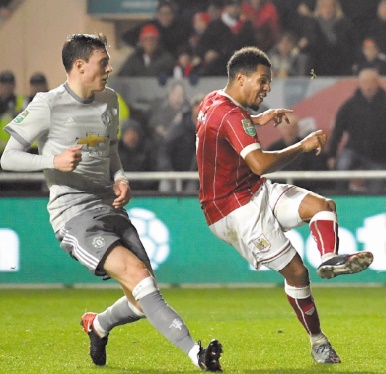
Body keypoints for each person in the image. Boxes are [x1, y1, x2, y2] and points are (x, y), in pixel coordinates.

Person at [0, 33, 223, 372]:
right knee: (139, 277)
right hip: (73, 214)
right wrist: (52, 161)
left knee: (140, 296)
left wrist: (121, 178)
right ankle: (199, 356)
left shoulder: (110, 100)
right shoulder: (48, 104)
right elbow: (8, 158)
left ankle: (98, 324)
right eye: (103, 62)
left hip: (110, 207)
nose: (109, 67)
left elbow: (111, 151)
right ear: (80, 65)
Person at [196, 46, 374, 364]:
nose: (267, 88)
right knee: (296, 273)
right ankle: (318, 341)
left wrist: (257, 119)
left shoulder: (214, 100)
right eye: (262, 81)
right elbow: (260, 163)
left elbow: (225, 127)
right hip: (232, 210)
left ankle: (330, 259)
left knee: (323, 206)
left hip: (253, 191)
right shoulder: (231, 115)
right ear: (240, 78)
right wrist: (301, 146)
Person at [327, 68, 386, 192]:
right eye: (364, 82)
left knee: (376, 186)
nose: (367, 86)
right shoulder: (349, 106)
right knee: (342, 167)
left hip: (379, 154)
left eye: (370, 82)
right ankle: (341, 199)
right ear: (359, 84)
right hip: (353, 149)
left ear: (377, 82)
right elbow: (338, 130)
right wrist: (332, 154)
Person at [0, 70, 26, 155]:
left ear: (14, 85)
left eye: (10, 84)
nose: (7, 87)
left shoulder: (21, 102)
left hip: (13, 150)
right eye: (4, 84)